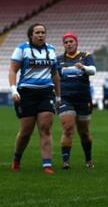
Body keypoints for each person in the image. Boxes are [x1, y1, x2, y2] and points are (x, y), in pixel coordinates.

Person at [9, 23, 61, 174]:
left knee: (45, 128)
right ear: (30, 35)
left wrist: (58, 96)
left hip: (46, 93)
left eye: (43, 32)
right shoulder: (22, 48)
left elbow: (55, 74)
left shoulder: (51, 49)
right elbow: (13, 70)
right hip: (26, 93)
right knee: (26, 131)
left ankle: (47, 164)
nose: (40, 35)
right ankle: (17, 158)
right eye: (37, 32)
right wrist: (13, 90)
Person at [57, 32, 96, 169]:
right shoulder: (59, 59)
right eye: (66, 42)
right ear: (64, 45)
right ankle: (65, 161)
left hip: (83, 98)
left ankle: (88, 158)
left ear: (76, 43)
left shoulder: (85, 56)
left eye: (71, 41)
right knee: (68, 128)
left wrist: (84, 68)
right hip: (65, 98)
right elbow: (54, 77)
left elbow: (93, 70)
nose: (68, 44)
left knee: (84, 132)